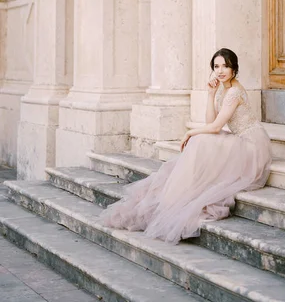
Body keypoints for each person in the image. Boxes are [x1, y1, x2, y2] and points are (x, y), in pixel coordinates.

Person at [100, 48, 272, 245]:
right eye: (216, 66)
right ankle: (178, 193)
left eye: (225, 66)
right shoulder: (223, 89)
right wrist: (210, 94)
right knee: (202, 142)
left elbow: (214, 128)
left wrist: (190, 132)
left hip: (251, 143)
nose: (221, 70)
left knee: (201, 140)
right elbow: (211, 121)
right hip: (238, 138)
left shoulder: (234, 92)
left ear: (234, 68)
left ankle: (184, 192)